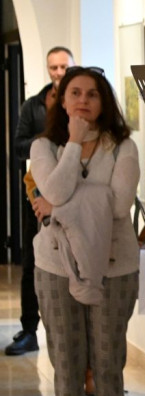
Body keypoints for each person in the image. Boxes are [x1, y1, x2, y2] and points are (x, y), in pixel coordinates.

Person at [30, 65, 140, 396]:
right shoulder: (44, 146)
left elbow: (119, 205)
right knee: (67, 370)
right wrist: (74, 143)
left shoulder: (123, 146)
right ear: (61, 100)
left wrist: (58, 208)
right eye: (75, 93)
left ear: (104, 101)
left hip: (113, 267)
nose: (83, 100)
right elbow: (55, 190)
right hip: (56, 267)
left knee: (108, 369)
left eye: (92, 94)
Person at [7, 46, 74, 356]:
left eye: (64, 67)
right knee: (32, 262)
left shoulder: (82, 102)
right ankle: (29, 329)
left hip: (71, 193)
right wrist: (44, 142)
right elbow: (18, 146)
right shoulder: (33, 105)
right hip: (37, 191)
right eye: (53, 68)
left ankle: (68, 330)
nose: (58, 73)